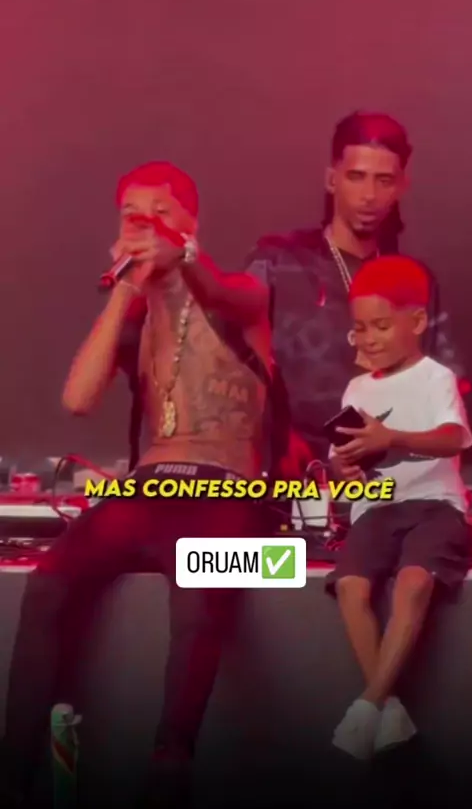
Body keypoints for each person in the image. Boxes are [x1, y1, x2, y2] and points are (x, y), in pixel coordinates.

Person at [0, 161, 273, 807]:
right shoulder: (137, 313)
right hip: (150, 486)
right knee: (47, 583)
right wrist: (125, 292)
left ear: (190, 223)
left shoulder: (243, 291)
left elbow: (220, 292)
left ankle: (169, 766)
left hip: (226, 486)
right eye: (131, 217)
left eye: (159, 214)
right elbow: (77, 400)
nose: (143, 226)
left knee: (199, 593)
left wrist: (183, 260)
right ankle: (14, 772)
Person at [244, 111, 467, 471]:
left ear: (402, 186)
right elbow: (236, 367)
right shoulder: (278, 262)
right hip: (292, 474)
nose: (369, 196)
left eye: (384, 180)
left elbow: (449, 386)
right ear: (332, 179)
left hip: (393, 477)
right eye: (356, 177)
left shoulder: (413, 280)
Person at [325, 255, 472, 761]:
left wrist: (392, 438)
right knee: (350, 586)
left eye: (382, 326)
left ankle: (367, 703)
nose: (369, 339)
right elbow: (344, 458)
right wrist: (344, 468)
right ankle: (387, 708)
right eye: (360, 328)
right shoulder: (357, 388)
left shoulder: (435, 377)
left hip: (433, 506)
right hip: (377, 508)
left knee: (413, 582)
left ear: (417, 321)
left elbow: (454, 437)